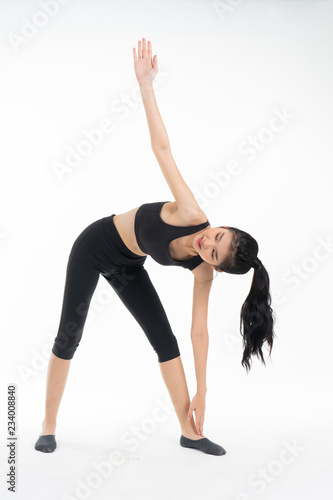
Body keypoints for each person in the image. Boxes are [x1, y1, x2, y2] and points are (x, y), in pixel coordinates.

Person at [35, 38, 276, 456]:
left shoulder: (202, 272)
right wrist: (146, 86)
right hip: (94, 246)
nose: (207, 243)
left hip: (128, 265)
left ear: (214, 267)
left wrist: (203, 390)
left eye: (213, 253)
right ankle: (48, 424)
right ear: (220, 225)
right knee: (68, 338)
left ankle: (191, 431)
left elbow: (198, 332)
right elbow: (162, 149)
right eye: (216, 235)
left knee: (167, 345)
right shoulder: (189, 211)